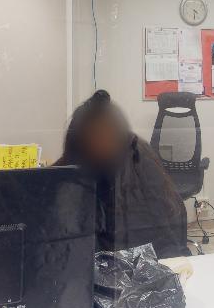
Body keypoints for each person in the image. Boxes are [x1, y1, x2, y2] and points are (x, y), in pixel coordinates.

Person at [55, 90, 189, 258]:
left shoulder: (138, 160)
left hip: (146, 263)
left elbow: (163, 238)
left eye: (106, 135)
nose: (102, 144)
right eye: (96, 136)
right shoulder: (70, 174)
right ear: (79, 142)